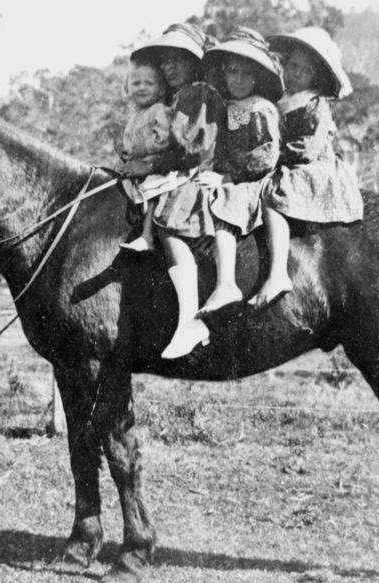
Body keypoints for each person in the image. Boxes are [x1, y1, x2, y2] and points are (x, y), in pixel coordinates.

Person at [118, 23, 225, 358]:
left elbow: (194, 148)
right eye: (165, 61)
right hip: (173, 171)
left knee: (169, 228)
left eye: (179, 59)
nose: (170, 67)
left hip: (193, 173)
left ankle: (189, 319)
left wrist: (147, 166)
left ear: (196, 62)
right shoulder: (171, 100)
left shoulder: (199, 93)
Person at [257, 26, 364, 309]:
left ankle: (279, 272)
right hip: (280, 160)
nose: (296, 74)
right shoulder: (277, 98)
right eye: (293, 66)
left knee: (273, 195)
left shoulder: (315, 105)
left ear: (316, 76)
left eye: (305, 71)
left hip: (310, 166)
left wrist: (273, 158)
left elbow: (308, 147)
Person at [196, 27, 285, 319]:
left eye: (246, 74)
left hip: (252, 179)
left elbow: (265, 155)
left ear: (258, 77)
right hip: (227, 173)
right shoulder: (230, 106)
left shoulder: (260, 108)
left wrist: (227, 178)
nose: (238, 79)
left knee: (226, 205)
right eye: (232, 72)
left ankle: (227, 284)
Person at [115, 60, 173, 252]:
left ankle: (147, 235)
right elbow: (129, 145)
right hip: (136, 168)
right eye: (136, 83)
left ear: (161, 89)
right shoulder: (134, 117)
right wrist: (125, 155)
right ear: (127, 88)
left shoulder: (159, 110)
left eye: (149, 83)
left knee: (154, 187)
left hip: (154, 165)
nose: (142, 88)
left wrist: (141, 149)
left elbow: (164, 139)